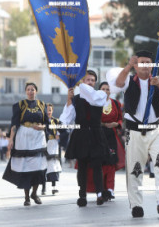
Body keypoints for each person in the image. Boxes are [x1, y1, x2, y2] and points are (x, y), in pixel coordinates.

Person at [107, 50, 159, 218]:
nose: (145, 66)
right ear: (136, 65)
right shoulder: (129, 81)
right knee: (135, 169)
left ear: (153, 64)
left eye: (148, 62)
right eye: (141, 62)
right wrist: (128, 65)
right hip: (135, 131)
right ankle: (136, 204)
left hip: (156, 130)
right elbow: (118, 83)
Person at [60, 70, 107, 206]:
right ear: (83, 81)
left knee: (97, 166)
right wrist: (69, 100)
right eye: (88, 80)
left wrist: (80, 83)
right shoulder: (75, 99)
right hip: (81, 134)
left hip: (96, 134)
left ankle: (99, 194)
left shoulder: (100, 95)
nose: (90, 82)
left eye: (93, 80)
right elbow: (67, 119)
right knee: (82, 167)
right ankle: (82, 195)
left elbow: (91, 97)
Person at [3, 82, 49, 206]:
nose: (30, 91)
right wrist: (11, 140)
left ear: (36, 91)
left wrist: (42, 127)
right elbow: (14, 124)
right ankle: (27, 197)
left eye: (32, 89)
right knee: (26, 167)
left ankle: (35, 193)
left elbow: (47, 123)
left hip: (38, 137)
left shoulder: (42, 105)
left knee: (38, 167)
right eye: (28, 89)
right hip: (23, 138)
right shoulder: (19, 105)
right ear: (25, 91)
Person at [86, 81, 125, 201]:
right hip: (98, 135)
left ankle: (110, 189)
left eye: (108, 89)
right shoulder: (94, 103)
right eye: (103, 89)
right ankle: (100, 189)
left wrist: (115, 124)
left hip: (111, 136)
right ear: (99, 91)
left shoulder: (116, 103)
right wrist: (102, 123)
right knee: (100, 163)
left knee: (111, 162)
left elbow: (120, 120)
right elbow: (89, 119)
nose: (105, 91)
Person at [42, 103, 62, 196]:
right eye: (46, 110)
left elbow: (64, 130)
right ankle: (43, 187)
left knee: (54, 166)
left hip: (54, 145)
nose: (48, 112)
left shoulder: (57, 121)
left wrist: (60, 135)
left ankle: (54, 187)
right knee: (44, 166)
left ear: (52, 111)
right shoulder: (41, 121)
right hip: (44, 145)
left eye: (50, 110)